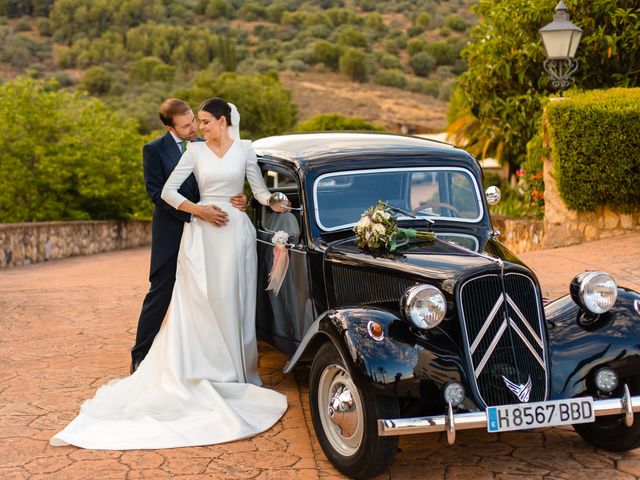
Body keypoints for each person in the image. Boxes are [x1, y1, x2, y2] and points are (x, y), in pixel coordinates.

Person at [50, 98, 288, 449]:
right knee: (201, 302)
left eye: (204, 121)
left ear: (222, 121)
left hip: (236, 234)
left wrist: (267, 201)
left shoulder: (246, 150)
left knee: (236, 300)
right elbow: (165, 192)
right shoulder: (193, 152)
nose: (199, 127)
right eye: (195, 122)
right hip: (203, 233)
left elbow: (261, 192)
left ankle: (239, 373)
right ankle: (194, 366)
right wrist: (200, 211)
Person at [130, 98, 247, 374]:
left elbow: (225, 179)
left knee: (209, 291)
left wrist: (241, 200)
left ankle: (207, 355)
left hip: (211, 232)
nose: (193, 127)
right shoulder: (154, 150)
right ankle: (140, 354)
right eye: (186, 125)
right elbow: (157, 195)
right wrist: (196, 213)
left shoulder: (205, 144)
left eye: (194, 120)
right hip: (174, 228)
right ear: (169, 126)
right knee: (161, 291)